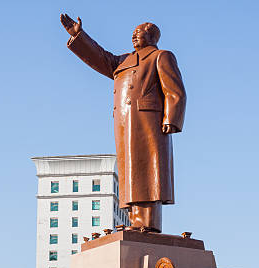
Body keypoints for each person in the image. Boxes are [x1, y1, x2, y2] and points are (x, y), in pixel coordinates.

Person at [60, 14, 186, 233]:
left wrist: (171, 119)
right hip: (125, 122)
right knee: (131, 171)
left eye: (139, 32)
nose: (134, 36)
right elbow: (101, 58)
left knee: (148, 170)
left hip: (148, 121)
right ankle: (135, 220)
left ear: (152, 36)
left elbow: (175, 91)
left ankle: (148, 223)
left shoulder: (161, 56)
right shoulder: (124, 61)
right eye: (133, 33)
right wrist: (79, 35)